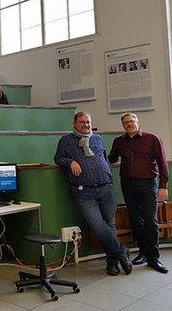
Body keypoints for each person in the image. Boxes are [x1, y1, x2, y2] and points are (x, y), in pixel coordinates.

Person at [54, 112, 132, 276]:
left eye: (88, 122)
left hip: (106, 188)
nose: (86, 125)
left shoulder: (97, 139)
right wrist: (70, 162)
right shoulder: (66, 141)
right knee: (98, 225)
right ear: (74, 124)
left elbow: (104, 158)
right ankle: (121, 252)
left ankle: (112, 263)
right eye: (82, 122)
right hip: (84, 192)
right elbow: (58, 158)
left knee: (110, 225)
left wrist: (109, 179)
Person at [108, 113, 169, 274]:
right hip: (128, 184)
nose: (129, 124)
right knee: (136, 219)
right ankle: (142, 252)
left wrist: (163, 186)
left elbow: (163, 164)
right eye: (126, 122)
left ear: (137, 122)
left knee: (150, 219)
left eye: (132, 121)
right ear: (123, 125)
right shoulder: (119, 142)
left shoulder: (152, 139)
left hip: (149, 184)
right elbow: (112, 159)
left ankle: (153, 257)